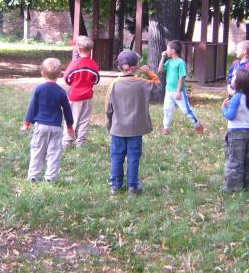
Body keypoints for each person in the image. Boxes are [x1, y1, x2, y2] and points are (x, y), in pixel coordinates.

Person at [105, 50, 161, 195]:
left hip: (118, 129)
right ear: (136, 66)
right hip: (136, 130)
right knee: (134, 157)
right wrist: (149, 72)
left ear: (119, 66)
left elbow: (108, 108)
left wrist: (109, 125)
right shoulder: (143, 83)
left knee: (116, 157)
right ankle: (132, 186)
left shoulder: (114, 84)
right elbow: (157, 85)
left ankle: (115, 186)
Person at [21, 58, 74, 182]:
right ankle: (50, 177)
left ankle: (33, 176)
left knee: (37, 151)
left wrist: (26, 123)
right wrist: (70, 127)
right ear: (60, 74)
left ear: (42, 73)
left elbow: (32, 107)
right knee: (54, 153)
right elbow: (67, 110)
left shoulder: (39, 89)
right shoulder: (62, 92)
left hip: (40, 127)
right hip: (56, 128)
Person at [221, 69, 249, 192]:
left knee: (234, 160)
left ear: (239, 82)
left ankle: (232, 187)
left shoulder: (236, 97)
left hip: (236, 133)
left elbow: (230, 115)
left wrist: (223, 109)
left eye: (234, 77)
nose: (231, 79)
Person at [158, 40, 204, 135]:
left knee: (186, 110)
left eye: (167, 48)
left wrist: (178, 91)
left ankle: (198, 125)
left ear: (173, 51)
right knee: (167, 109)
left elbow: (181, 77)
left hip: (178, 92)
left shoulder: (180, 63)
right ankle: (166, 128)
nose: (166, 50)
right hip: (169, 91)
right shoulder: (169, 61)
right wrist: (162, 57)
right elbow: (160, 69)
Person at [62, 35, 100, 149]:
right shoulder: (93, 64)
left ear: (78, 49)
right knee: (84, 120)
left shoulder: (74, 63)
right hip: (88, 96)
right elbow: (96, 79)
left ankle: (67, 141)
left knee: (72, 118)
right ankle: (80, 142)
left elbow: (67, 78)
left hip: (74, 96)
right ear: (90, 49)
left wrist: (73, 83)